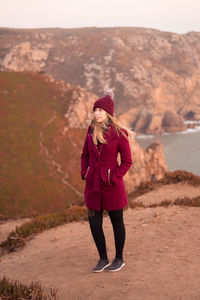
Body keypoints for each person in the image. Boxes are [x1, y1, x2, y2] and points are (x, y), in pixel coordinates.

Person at [81, 90, 133, 272]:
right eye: (95, 110)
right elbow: (84, 155)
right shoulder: (90, 131)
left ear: (108, 113)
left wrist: (114, 176)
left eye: (100, 110)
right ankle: (102, 259)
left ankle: (119, 258)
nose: (97, 113)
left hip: (112, 186)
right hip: (93, 185)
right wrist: (84, 172)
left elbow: (127, 161)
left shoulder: (120, 133)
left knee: (116, 222)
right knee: (94, 223)